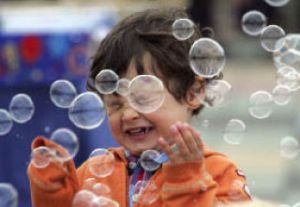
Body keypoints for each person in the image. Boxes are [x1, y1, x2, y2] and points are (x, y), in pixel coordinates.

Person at [27, 8, 252, 207]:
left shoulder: (218, 173)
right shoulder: (92, 172)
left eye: (142, 99)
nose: (128, 114)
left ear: (193, 92)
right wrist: (52, 194)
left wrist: (187, 182)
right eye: (115, 104)